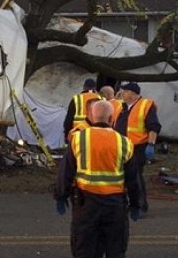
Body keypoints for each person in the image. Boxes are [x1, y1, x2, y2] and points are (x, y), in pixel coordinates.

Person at [54, 100, 140, 258]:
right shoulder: (124, 142)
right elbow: (133, 178)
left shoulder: (78, 139)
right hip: (115, 205)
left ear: (92, 117)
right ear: (111, 118)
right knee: (115, 248)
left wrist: (61, 195)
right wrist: (136, 203)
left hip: (86, 203)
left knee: (84, 248)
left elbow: (66, 171)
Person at [114, 82, 162, 215]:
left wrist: (151, 144)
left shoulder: (145, 106)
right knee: (121, 177)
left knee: (135, 177)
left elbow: (153, 126)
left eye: (125, 91)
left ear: (134, 94)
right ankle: (126, 204)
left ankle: (140, 206)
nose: (122, 93)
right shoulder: (121, 107)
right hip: (121, 147)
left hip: (137, 147)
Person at [62, 78, 103, 143]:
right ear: (95, 88)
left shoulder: (76, 99)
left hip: (78, 136)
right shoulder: (102, 100)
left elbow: (68, 120)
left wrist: (67, 136)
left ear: (84, 87)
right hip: (97, 137)